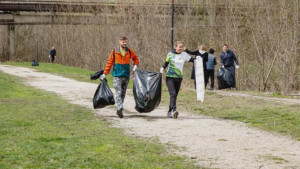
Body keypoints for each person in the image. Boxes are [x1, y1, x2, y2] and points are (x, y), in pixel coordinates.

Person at [101, 36, 139, 118]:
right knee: (118, 92)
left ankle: (120, 108)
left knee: (123, 93)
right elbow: (110, 62)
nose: (124, 43)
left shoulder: (129, 51)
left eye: (125, 42)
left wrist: (135, 65)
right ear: (119, 42)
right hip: (117, 75)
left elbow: (136, 58)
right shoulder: (115, 51)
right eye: (123, 42)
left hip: (126, 75)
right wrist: (105, 73)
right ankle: (120, 108)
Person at [160, 41, 195, 119]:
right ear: (175, 47)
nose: (181, 48)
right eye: (180, 47)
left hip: (179, 78)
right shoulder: (170, 54)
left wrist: (199, 57)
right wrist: (162, 69)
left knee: (174, 96)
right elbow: (166, 63)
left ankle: (169, 110)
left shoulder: (184, 55)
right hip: (170, 77)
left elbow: (192, 60)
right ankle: (174, 110)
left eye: (182, 47)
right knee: (173, 94)